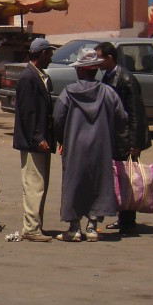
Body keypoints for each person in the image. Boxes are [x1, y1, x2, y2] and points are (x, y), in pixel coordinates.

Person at [53, 47, 128, 242]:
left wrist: (62, 139)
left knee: (74, 184)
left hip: (75, 146)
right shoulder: (108, 92)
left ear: (80, 70)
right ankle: (93, 227)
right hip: (101, 146)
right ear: (95, 70)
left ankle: (74, 228)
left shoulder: (68, 93)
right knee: (99, 183)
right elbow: (122, 118)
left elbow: (57, 119)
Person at [96, 41, 152, 236]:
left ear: (109, 58)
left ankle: (129, 221)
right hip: (115, 137)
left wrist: (135, 144)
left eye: (100, 57)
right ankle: (122, 218)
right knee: (119, 178)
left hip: (126, 139)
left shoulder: (126, 79)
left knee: (129, 179)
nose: (98, 62)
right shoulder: (107, 77)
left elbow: (136, 113)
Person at [12, 37, 56, 242]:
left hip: (40, 140)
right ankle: (31, 228)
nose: (52, 57)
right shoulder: (28, 78)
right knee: (33, 185)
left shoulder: (39, 76)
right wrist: (38, 137)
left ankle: (36, 225)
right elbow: (28, 113)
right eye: (50, 53)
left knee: (40, 184)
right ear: (43, 53)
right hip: (33, 142)